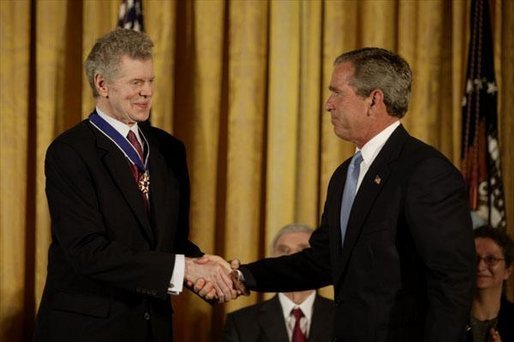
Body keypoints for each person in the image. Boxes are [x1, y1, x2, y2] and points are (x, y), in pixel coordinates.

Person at [229, 47, 476, 341]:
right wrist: (243, 275)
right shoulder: (344, 175)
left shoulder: (425, 171)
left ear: (374, 100)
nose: (328, 104)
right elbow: (323, 261)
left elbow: (452, 280)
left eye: (337, 92)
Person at [34, 28, 235, 342]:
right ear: (102, 84)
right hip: (89, 330)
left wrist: (204, 267)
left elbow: (171, 243)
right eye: (136, 83)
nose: (147, 92)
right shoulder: (70, 152)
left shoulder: (169, 149)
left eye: (151, 81)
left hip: (152, 327)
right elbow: (88, 252)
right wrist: (185, 270)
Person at [223, 224, 334, 342]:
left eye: (303, 252)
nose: (292, 257)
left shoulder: (344, 317)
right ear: (271, 259)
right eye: (284, 251)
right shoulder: (241, 322)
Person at [465, 225, 514, 342]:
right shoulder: (447, 318)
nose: (480, 266)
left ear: (508, 270)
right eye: (473, 258)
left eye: (491, 259)